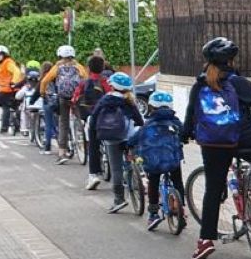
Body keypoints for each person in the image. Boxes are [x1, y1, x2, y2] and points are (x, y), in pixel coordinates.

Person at [181, 37, 251, 259]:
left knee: (212, 189)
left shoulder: (200, 84)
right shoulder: (237, 82)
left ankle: (205, 241)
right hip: (243, 140)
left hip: (213, 145)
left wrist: (184, 136)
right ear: (231, 60)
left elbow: (190, 114)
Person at [128, 91, 186, 232]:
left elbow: (135, 139)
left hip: (153, 161)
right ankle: (180, 209)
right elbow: (184, 133)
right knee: (177, 181)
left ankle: (153, 214)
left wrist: (128, 145)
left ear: (151, 107)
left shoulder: (148, 124)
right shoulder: (176, 121)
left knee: (153, 182)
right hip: (172, 160)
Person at [88, 72, 144, 213]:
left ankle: (119, 199)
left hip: (111, 137)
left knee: (116, 169)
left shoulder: (105, 99)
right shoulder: (129, 100)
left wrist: (94, 132)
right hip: (128, 137)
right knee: (134, 156)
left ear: (112, 86)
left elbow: (94, 117)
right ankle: (137, 174)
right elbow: (139, 120)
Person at [40, 45, 88, 164]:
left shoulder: (57, 67)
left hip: (63, 97)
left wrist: (42, 93)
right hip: (77, 97)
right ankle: (85, 142)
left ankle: (62, 153)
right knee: (82, 119)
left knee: (63, 123)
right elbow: (86, 79)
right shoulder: (78, 66)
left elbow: (45, 81)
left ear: (60, 55)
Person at [0, 45, 23, 134]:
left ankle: (4, 128)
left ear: (5, 54)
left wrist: (13, 82)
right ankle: (17, 127)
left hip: (8, 90)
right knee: (14, 108)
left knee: (6, 109)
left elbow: (17, 72)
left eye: (0, 54)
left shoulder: (8, 62)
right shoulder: (3, 64)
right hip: (7, 89)